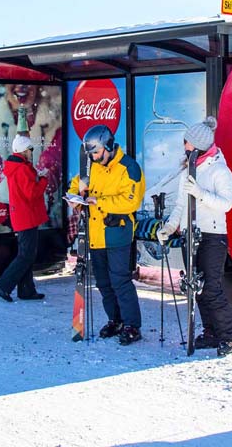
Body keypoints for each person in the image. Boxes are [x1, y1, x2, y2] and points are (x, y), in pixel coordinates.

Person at [157, 116, 232, 356]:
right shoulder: (188, 171)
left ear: (199, 146)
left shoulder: (220, 171)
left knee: (211, 288)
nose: (185, 147)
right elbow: (181, 206)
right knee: (197, 288)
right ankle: (211, 332)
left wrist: (200, 193)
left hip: (213, 236)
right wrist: (169, 228)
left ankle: (231, 335)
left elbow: (227, 204)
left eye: (188, 143)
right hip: (190, 235)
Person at [68, 125, 145, 346]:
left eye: (96, 152)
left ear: (108, 146)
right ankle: (115, 319)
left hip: (117, 232)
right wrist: (76, 197)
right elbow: (76, 184)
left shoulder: (128, 167)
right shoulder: (91, 167)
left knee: (120, 280)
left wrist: (99, 202)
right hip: (95, 233)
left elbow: (131, 200)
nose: (92, 157)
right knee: (103, 282)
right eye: (90, 153)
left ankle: (132, 325)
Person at [0, 135, 48, 302]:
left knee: (27, 254)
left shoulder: (16, 167)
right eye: (30, 149)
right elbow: (31, 193)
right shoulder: (22, 169)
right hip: (27, 216)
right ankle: (4, 285)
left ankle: (26, 290)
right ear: (24, 150)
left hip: (22, 215)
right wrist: (43, 180)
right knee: (26, 255)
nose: (32, 152)